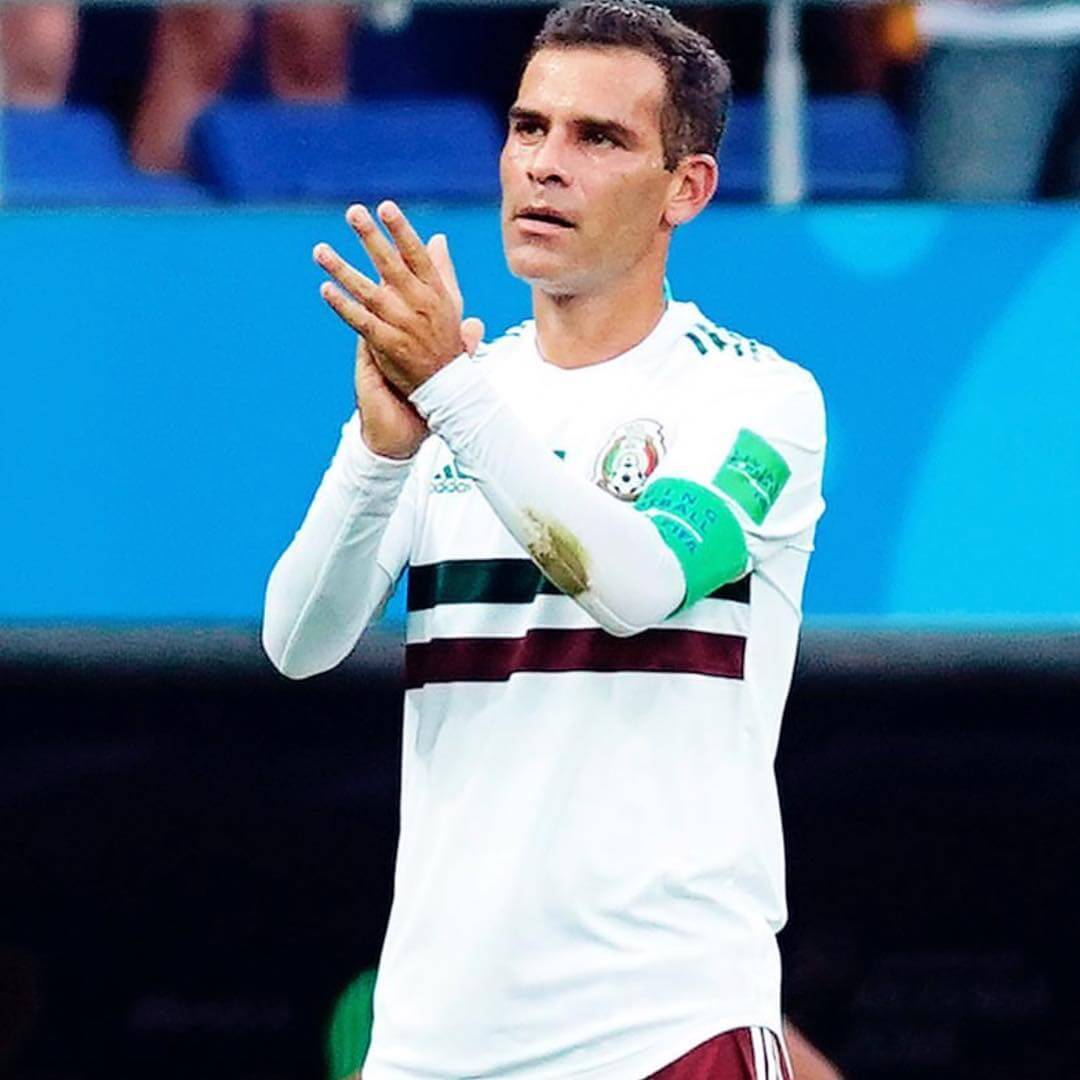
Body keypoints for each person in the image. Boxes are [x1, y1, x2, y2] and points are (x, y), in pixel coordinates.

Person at [263, 1, 827, 1076]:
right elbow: (297, 642)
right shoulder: (460, 392)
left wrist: (452, 394)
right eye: (530, 127)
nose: (545, 164)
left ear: (686, 188)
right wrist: (378, 454)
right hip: (435, 1044)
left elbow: (639, 586)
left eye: (598, 137)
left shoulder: (754, 397)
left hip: (663, 1032)